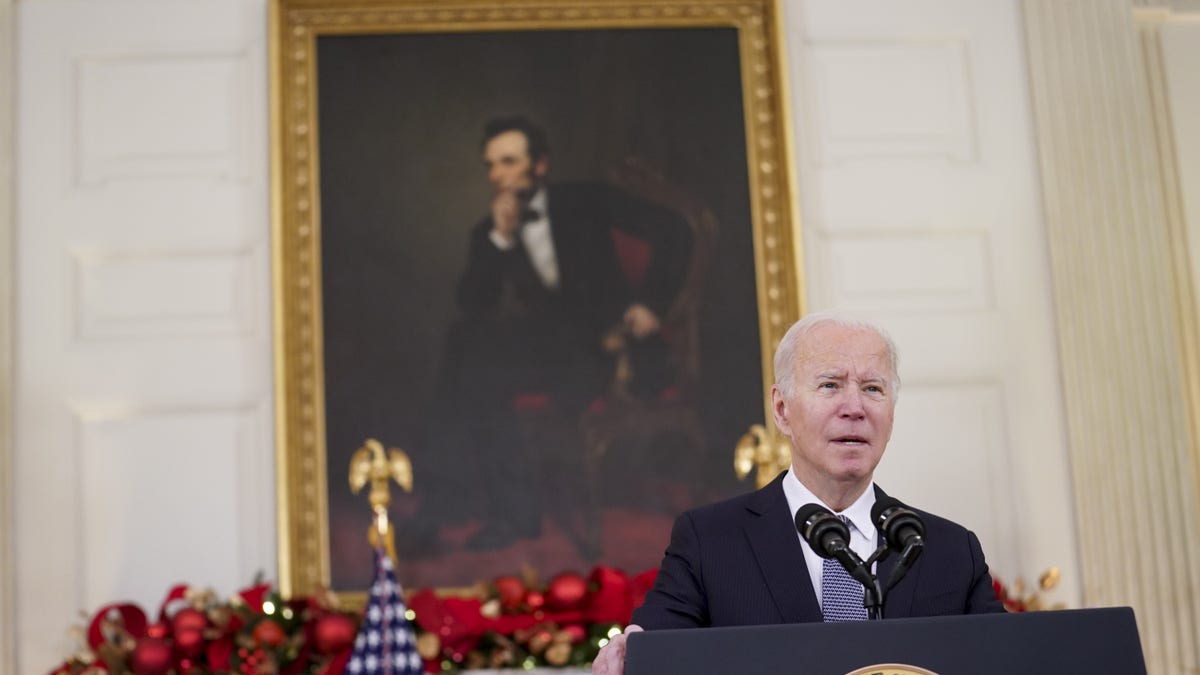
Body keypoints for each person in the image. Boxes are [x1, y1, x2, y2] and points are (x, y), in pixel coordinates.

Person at [591, 311, 1004, 674]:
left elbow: (1004, 661)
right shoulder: (710, 540)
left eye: (873, 389)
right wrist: (633, 649)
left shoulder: (949, 550)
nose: (855, 407)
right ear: (782, 410)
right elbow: (658, 650)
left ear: (892, 414)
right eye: (830, 385)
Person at [430, 116, 693, 552]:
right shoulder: (490, 230)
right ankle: (504, 510)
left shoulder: (586, 200)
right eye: (491, 165)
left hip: (614, 346)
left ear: (540, 165)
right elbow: (474, 306)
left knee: (469, 359)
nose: (498, 175)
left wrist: (652, 303)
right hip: (554, 353)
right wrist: (501, 237)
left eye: (509, 161)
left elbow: (676, 231)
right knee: (468, 348)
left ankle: (457, 502)